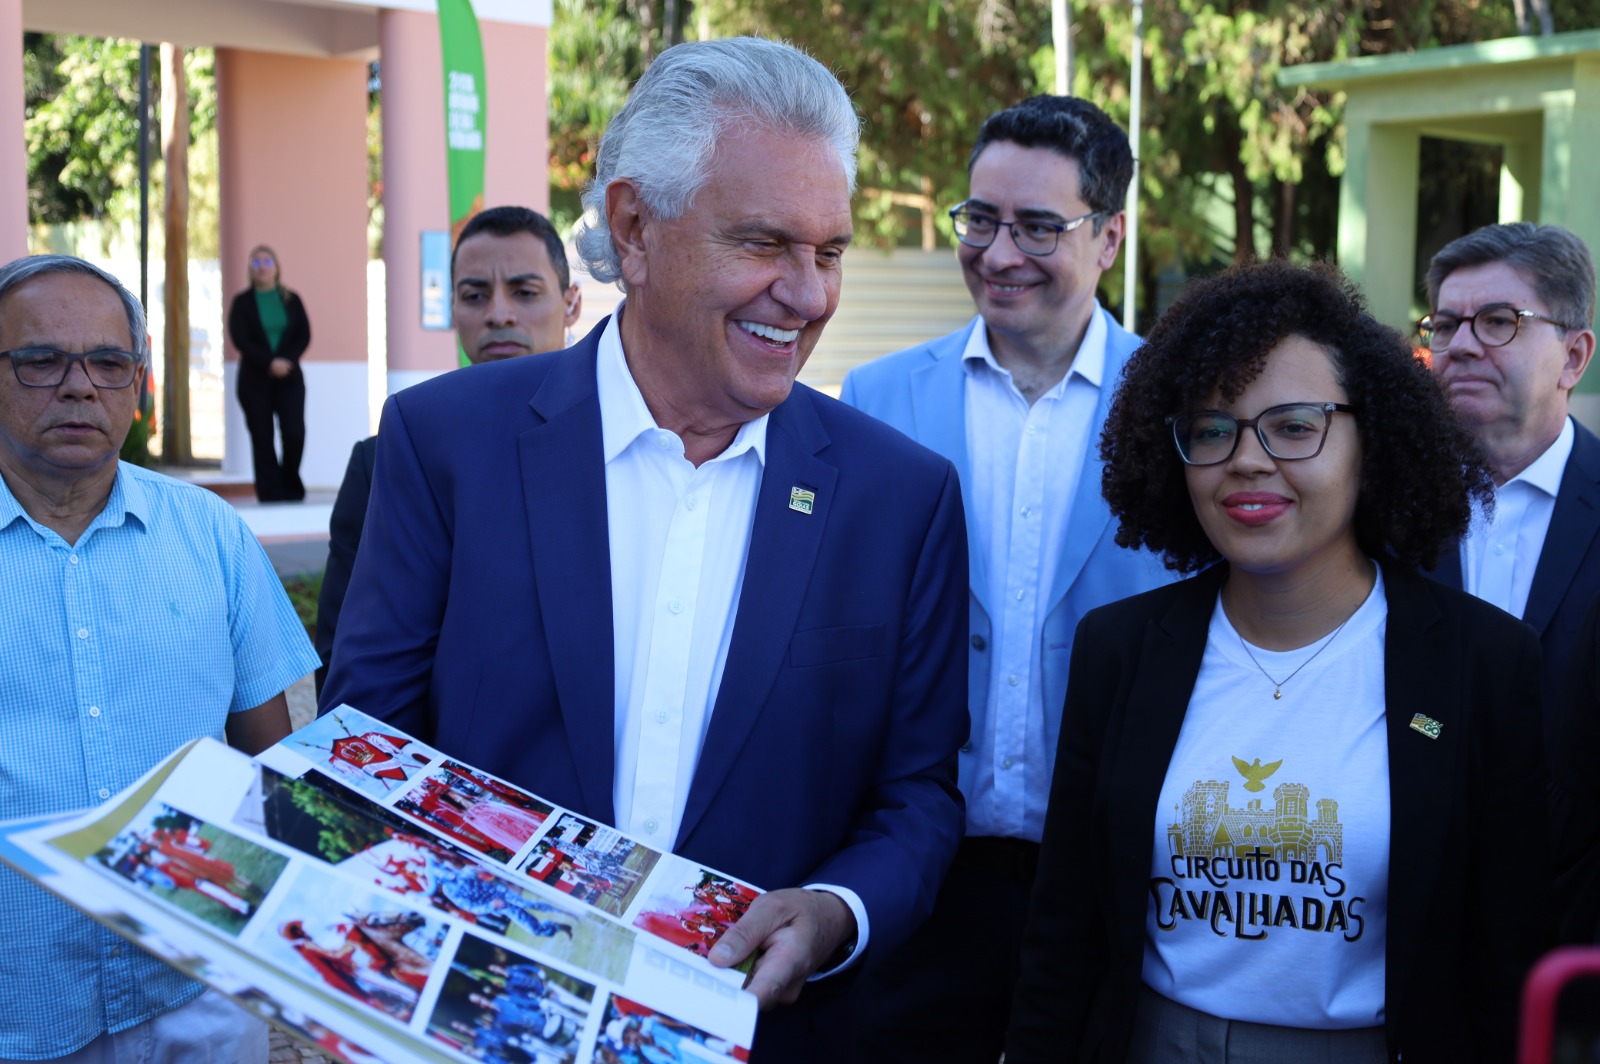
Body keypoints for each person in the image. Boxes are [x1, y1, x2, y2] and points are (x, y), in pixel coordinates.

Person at [321, 37, 968, 1062]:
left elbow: (918, 793)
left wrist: (837, 911)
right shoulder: (445, 443)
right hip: (470, 1022)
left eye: (829, 250)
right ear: (633, 227)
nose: (806, 295)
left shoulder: (900, 496)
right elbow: (367, 746)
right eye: (764, 242)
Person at [1006, 260, 1553, 1063]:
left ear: (1377, 441)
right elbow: (1065, 928)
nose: (1248, 460)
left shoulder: (1484, 665)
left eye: (1295, 426)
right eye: (1212, 429)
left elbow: (1502, 954)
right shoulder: (1118, 649)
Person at [839, 94, 1171, 1062]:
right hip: (920, 865)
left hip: (1113, 871)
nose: (996, 250)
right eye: (978, 219)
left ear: (1108, 237)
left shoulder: (1180, 407)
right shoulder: (878, 398)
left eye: (1035, 225)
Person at [0, 254, 319, 1062]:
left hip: (200, 987)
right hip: (23, 1006)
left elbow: (271, 763)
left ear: (140, 381)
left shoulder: (210, 534)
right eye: (40, 362)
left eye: (109, 363)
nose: (79, 386)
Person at [313, 206, 582, 691]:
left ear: (572, 303)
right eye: (475, 295)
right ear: (453, 311)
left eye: (524, 292)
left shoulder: (621, 448)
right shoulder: (385, 459)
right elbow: (348, 663)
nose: (499, 313)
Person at [1420, 222, 1599, 717]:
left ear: (1574, 357)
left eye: (1499, 321)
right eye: (1445, 324)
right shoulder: (1387, 496)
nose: (1459, 345)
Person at [227, 244, 311, 502]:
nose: (261, 268)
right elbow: (240, 339)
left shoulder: (292, 300)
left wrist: (286, 360)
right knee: (262, 437)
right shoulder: (242, 303)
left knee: (294, 433)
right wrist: (268, 363)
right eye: (256, 263)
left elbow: (304, 335)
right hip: (254, 381)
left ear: (276, 268)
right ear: (250, 270)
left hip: (289, 378)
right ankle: (271, 492)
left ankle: (290, 484)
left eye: (266, 262)